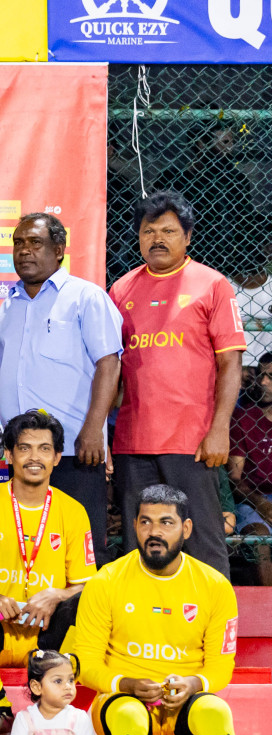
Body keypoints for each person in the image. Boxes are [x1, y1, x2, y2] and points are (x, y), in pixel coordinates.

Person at [71, 484, 246, 735]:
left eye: (165, 523)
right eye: (145, 521)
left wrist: (194, 685)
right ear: (134, 525)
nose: (154, 532)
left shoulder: (215, 587)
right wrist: (126, 684)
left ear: (185, 528)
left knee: (217, 711)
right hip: (122, 703)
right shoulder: (106, 581)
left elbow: (221, 669)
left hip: (184, 706)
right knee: (130, 716)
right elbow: (85, 663)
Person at [110, 192, 244, 577]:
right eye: (148, 230)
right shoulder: (120, 290)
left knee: (203, 543)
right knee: (141, 549)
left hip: (194, 442)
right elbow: (109, 371)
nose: (157, 238)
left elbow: (230, 361)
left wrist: (219, 429)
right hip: (133, 443)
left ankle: (216, 634)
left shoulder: (213, 285)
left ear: (188, 237)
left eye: (168, 230)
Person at [0, 410, 97, 735]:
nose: (34, 457)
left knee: (86, 601)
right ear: (9, 455)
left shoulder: (73, 511)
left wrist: (56, 595)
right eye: (25, 448)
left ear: (57, 457)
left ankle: (52, 711)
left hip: (47, 638)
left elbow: (87, 585)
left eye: (44, 449)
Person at [0, 212, 121, 548]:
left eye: (35, 243)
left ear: (58, 250)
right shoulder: (8, 306)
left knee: (80, 549)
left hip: (75, 450)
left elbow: (109, 365)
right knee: (27, 547)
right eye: (18, 243)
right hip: (22, 453)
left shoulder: (86, 297)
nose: (24, 250)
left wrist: (93, 429)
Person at [230, 359, 272, 585]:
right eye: (261, 375)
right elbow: (235, 479)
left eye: (271, 377)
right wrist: (260, 503)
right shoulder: (244, 418)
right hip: (251, 498)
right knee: (258, 534)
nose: (263, 382)